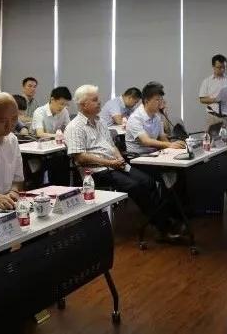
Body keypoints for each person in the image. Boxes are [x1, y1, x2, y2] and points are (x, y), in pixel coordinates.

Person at [67, 85, 177, 237]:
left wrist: (119, 158)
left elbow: (112, 145)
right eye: (95, 100)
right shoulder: (74, 127)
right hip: (97, 171)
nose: (100, 102)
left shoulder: (100, 122)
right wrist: (110, 163)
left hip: (116, 164)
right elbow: (80, 157)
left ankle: (161, 220)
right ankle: (163, 227)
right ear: (83, 104)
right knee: (135, 186)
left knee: (148, 181)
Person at [126, 82, 185, 154]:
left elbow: (162, 137)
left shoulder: (157, 117)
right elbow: (146, 141)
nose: (160, 103)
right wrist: (169, 144)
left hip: (154, 153)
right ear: (146, 101)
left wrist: (173, 147)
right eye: (157, 100)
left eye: (161, 99)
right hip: (138, 156)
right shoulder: (135, 118)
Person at [199, 54, 227, 130]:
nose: (222, 69)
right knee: (212, 137)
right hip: (213, 116)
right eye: (219, 67)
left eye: (224, 67)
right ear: (213, 67)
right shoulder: (207, 82)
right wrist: (215, 100)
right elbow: (202, 99)